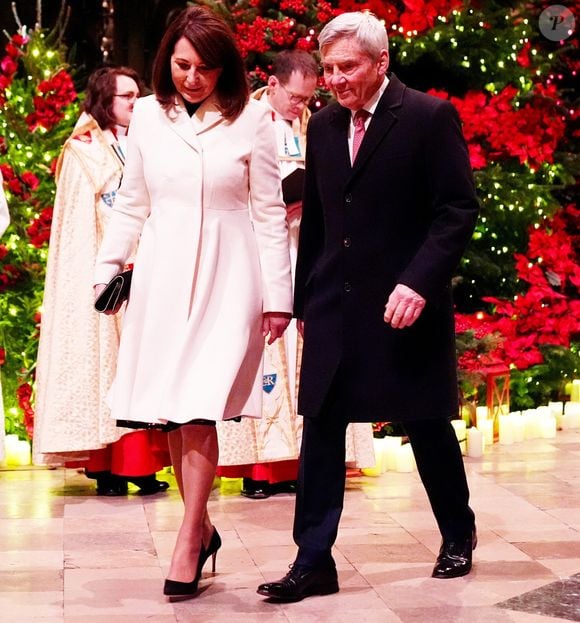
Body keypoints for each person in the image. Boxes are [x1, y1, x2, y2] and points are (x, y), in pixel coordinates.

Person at [257, 11, 480, 602]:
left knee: (426, 423)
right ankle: (313, 560)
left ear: (381, 63)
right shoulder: (325, 126)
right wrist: (304, 299)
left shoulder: (430, 118)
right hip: (335, 302)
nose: (334, 78)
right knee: (322, 428)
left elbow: (456, 210)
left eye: (347, 66)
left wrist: (419, 283)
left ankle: (458, 532)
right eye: (327, 68)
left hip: (404, 301)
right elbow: (323, 223)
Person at [93, 6, 292, 598]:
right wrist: (106, 269)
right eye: (183, 65)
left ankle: (186, 537)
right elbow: (131, 203)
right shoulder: (149, 117)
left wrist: (277, 296)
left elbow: (270, 213)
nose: (192, 77)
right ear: (166, 61)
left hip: (232, 277)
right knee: (175, 410)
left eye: (206, 68)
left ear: (224, 67)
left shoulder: (252, 118)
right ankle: (202, 526)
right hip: (162, 275)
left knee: (201, 405)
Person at [216, 50, 376, 499]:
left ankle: (293, 462)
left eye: (308, 98)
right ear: (272, 83)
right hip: (260, 250)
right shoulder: (244, 121)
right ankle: (258, 467)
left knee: (301, 357)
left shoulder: (312, 127)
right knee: (266, 355)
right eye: (294, 96)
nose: (299, 106)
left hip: (301, 248)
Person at [33, 66, 171, 496]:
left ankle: (144, 467)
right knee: (108, 367)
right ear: (103, 101)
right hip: (108, 276)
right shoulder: (84, 152)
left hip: (148, 269)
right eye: (126, 97)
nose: (135, 103)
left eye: (137, 95)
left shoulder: (148, 143)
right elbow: (76, 230)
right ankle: (109, 467)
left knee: (144, 369)